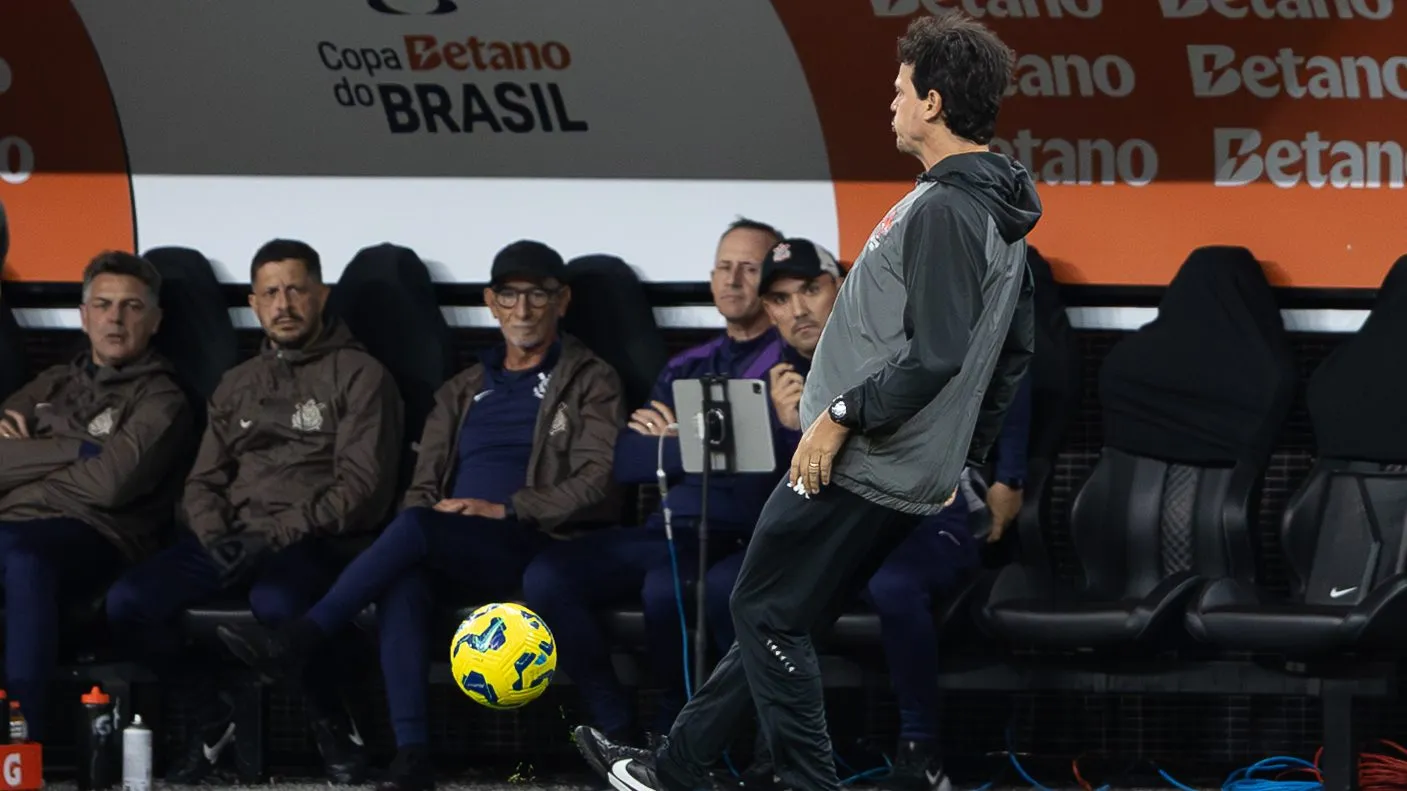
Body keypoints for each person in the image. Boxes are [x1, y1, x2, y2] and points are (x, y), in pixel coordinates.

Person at [575, 11, 1040, 791]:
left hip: (857, 458)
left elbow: (939, 356)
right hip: (901, 464)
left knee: (761, 610)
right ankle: (673, 767)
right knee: (784, 616)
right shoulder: (996, 212)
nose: (889, 102)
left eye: (898, 89)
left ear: (931, 102)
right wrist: (958, 448)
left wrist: (839, 416)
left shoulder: (947, 210)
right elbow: (1013, 352)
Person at [215, 240, 626, 791]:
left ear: (562, 301)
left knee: (413, 530)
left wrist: (505, 508)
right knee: (403, 575)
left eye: (537, 296)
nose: (523, 310)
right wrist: (439, 521)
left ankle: (305, 637)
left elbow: (595, 480)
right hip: (457, 540)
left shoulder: (592, 380)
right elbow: (423, 486)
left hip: (541, 538)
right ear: (490, 302)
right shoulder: (461, 390)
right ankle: (413, 756)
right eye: (509, 295)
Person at [718, 242, 1033, 791]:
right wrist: (784, 428)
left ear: (839, 287)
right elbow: (757, 501)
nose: (799, 310)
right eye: (780, 299)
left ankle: (921, 754)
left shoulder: (884, 335)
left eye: (810, 290)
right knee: (754, 591)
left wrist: (1010, 473)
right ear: (766, 311)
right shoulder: (760, 379)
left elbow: (1000, 365)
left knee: (893, 585)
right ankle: (775, 758)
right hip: (828, 530)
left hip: (923, 518)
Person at [104, 239, 404, 785]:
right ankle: (212, 716)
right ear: (254, 302)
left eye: (296, 290)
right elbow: (203, 480)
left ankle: (337, 727)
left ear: (321, 295)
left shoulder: (360, 374)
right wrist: (218, 537)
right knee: (127, 602)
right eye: (270, 293)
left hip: (313, 539)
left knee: (277, 600)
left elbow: (364, 489)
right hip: (232, 539)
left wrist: (274, 537)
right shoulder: (237, 384)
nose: (284, 303)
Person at [519, 219, 799, 748]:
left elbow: (769, 463)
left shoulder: (790, 362)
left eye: (749, 268)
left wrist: (674, 441)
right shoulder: (687, 363)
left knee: (665, 586)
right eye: (723, 266)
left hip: (741, 532)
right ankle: (614, 722)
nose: (733, 280)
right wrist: (719, 439)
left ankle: (681, 730)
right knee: (547, 576)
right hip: (671, 527)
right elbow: (628, 460)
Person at [0, 251, 192, 742]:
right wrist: (75, 449)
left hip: (98, 537)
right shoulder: (51, 383)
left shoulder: (161, 399)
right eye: (103, 304)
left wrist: (28, 460)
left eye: (131, 306)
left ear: (154, 320)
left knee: (23, 557)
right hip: (12, 526)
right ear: (84, 316)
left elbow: (109, 485)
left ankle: (21, 747)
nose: (116, 317)